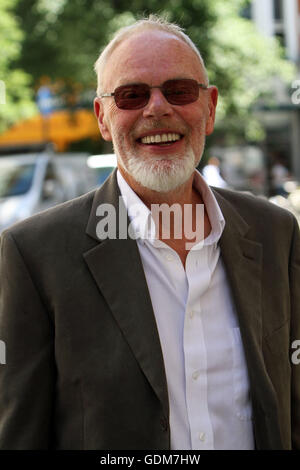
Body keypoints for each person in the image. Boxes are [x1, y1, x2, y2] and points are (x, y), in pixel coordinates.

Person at [0, 16, 299, 451]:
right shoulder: (34, 255)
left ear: (210, 107)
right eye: (131, 95)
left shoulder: (277, 233)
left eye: (179, 91)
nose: (157, 109)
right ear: (103, 118)